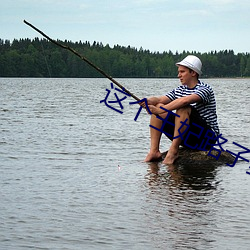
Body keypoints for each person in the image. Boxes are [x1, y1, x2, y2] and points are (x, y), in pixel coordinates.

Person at [144, 55, 220, 164]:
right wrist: (149, 101)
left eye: (182, 72)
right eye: (179, 72)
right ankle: (154, 151)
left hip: (206, 138)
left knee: (183, 108)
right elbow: (161, 99)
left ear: (193, 73)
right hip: (188, 137)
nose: (178, 75)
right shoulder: (179, 90)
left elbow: (185, 101)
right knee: (159, 105)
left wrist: (160, 110)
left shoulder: (205, 89)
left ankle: (173, 151)